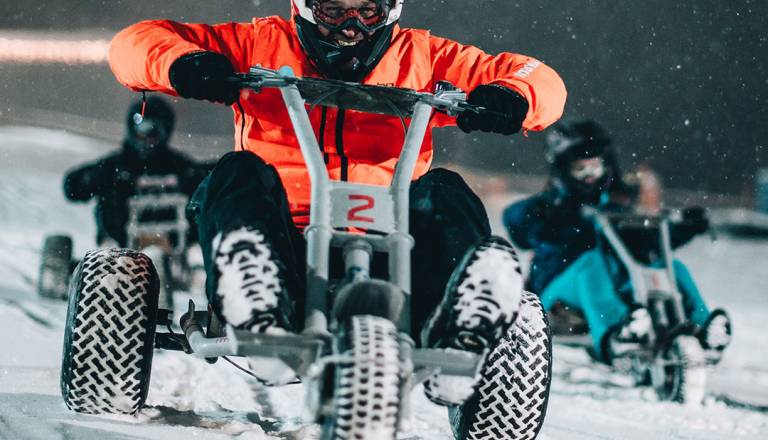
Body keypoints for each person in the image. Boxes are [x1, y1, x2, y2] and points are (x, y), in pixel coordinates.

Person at [108, 0, 567, 400]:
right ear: (306, 7)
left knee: (445, 189)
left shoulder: (423, 57)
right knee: (235, 171)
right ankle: (255, 296)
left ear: (390, 10)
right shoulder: (260, 43)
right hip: (281, 236)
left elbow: (537, 75)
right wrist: (185, 63)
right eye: (334, 11)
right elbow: (135, 42)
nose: (352, 28)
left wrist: (512, 95)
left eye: (369, 12)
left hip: (393, 243)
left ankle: (463, 324)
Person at [502, 119, 731, 363]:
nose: (589, 177)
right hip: (556, 296)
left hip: (613, 284)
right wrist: (549, 211)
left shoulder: (614, 208)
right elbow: (516, 224)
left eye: (595, 168)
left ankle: (702, 326)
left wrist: (684, 227)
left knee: (669, 267)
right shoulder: (552, 206)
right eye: (581, 169)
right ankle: (616, 334)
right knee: (592, 263)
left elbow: (647, 242)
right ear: (565, 170)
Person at [64, 96, 211, 248]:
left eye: (154, 130)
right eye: (141, 128)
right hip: (119, 255)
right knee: (111, 192)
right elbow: (72, 187)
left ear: (165, 130)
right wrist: (92, 179)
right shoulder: (114, 165)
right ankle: (109, 249)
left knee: (198, 199)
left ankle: (195, 255)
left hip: (175, 250)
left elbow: (208, 179)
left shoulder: (181, 167)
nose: (146, 136)